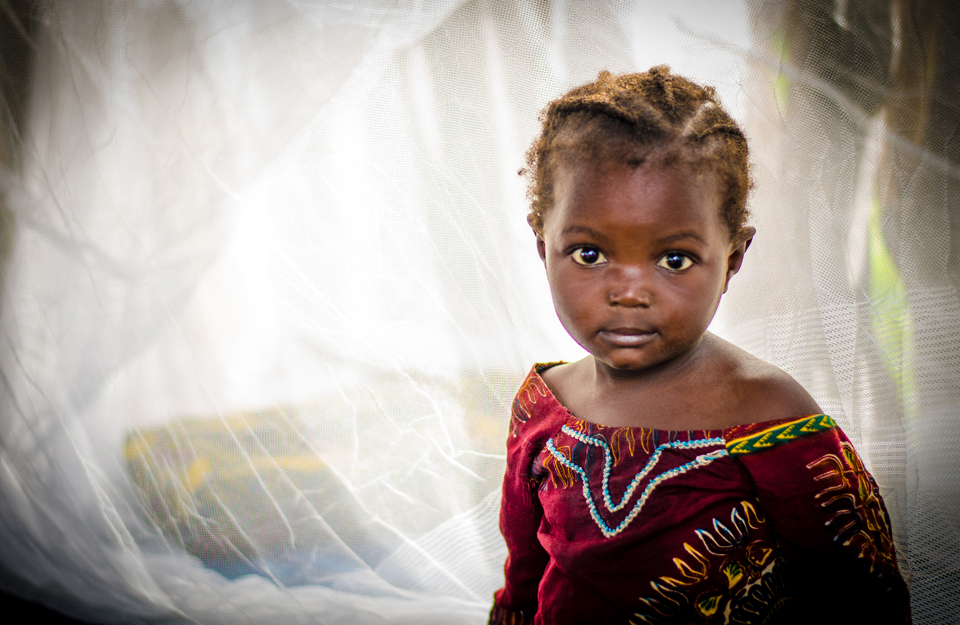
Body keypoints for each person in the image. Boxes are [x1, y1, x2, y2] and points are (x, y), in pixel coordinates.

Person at [488, 67, 911, 625]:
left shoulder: (769, 415)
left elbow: (864, 593)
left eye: (675, 259)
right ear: (544, 246)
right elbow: (523, 581)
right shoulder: (543, 406)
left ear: (732, 259)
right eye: (590, 254)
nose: (629, 292)